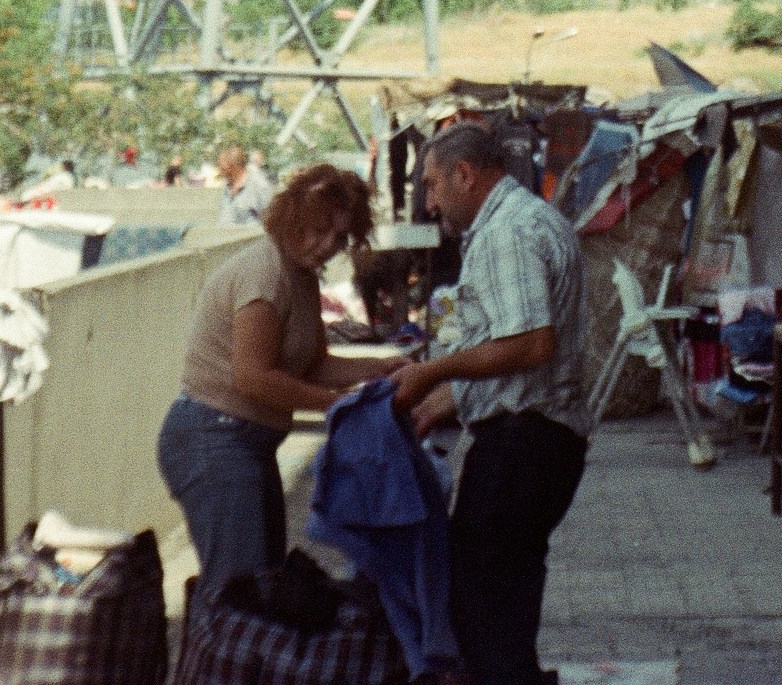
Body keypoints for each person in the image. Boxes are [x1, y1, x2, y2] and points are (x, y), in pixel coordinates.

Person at [390, 122, 592, 685]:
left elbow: (531, 343)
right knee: (505, 601)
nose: (430, 203)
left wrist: (436, 369)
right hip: (540, 438)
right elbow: (509, 342)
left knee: (483, 609)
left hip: (523, 443)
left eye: (432, 186)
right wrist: (451, 395)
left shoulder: (508, 232)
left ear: (465, 174)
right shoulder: (525, 219)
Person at [157, 165, 402, 603]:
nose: (327, 246)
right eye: (318, 230)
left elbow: (311, 363)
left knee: (261, 581)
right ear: (291, 217)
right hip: (213, 438)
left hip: (245, 442)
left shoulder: (299, 274)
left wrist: (379, 369)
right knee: (240, 592)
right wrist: (338, 406)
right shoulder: (265, 276)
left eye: (339, 238)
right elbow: (256, 379)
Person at [216, 144, 275, 227]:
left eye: (220, 164)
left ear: (231, 164)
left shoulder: (258, 184)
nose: (218, 168)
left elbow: (272, 219)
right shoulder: (228, 187)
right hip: (224, 238)